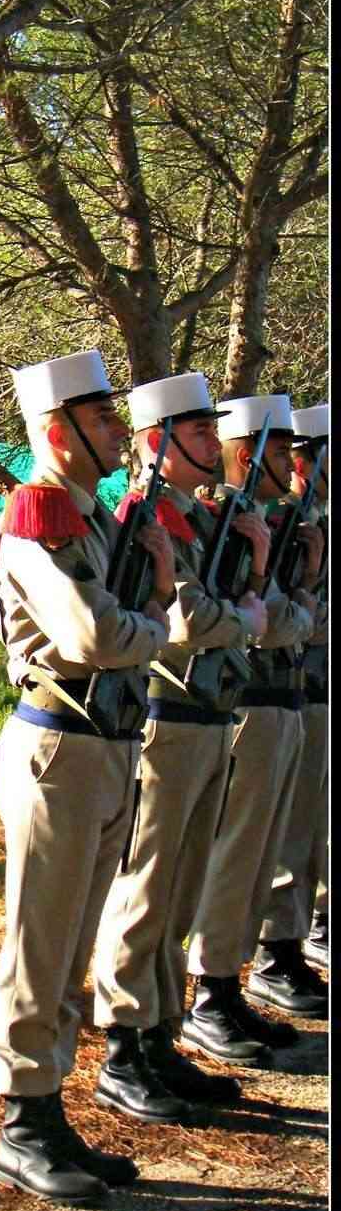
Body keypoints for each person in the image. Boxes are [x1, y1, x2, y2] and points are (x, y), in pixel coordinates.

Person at [0, 349, 175, 1208]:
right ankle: (22, 1124)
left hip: (106, 741)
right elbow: (94, 636)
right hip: (60, 745)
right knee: (40, 941)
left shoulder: (94, 519)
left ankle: (50, 1107)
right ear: (58, 432)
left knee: (69, 950)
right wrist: (162, 621)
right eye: (101, 421)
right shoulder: (40, 517)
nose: (116, 433)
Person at [90, 373, 269, 1118]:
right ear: (157, 444)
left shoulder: (193, 520)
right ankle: (124, 1045)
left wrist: (251, 582)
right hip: (164, 714)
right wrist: (250, 609)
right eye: (197, 435)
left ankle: (161, 1031)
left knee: (182, 887)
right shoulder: (143, 518)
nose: (213, 447)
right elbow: (187, 621)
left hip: (204, 715)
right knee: (148, 888)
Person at [181, 393, 322, 1064]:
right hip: (244, 702)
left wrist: (286, 600)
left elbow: (288, 619)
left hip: (281, 698)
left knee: (267, 847)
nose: (292, 464)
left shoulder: (271, 522)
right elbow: (269, 620)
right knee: (238, 854)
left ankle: (233, 981)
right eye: (280, 451)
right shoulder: (224, 525)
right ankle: (212, 992)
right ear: (247, 456)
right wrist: (277, 600)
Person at [250, 403, 329, 1016]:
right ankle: (275, 953)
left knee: (304, 832)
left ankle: (295, 942)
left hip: (306, 691)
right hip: (277, 692)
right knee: (280, 835)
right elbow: (286, 621)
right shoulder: (278, 524)